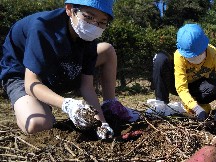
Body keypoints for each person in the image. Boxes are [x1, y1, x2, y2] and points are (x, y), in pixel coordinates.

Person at [0, 0, 140, 139]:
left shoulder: (88, 38)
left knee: (107, 50)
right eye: (89, 17)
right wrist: (68, 105)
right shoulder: (42, 28)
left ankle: (110, 106)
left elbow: (86, 86)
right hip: (23, 76)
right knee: (38, 124)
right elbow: (31, 83)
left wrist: (102, 122)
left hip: (59, 70)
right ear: (69, 9)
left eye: (102, 22)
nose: (94, 25)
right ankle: (35, 104)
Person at [150, 23, 216, 124]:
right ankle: (161, 104)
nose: (194, 59)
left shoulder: (214, 54)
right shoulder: (179, 56)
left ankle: (198, 104)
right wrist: (196, 109)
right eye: (189, 56)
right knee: (160, 59)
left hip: (197, 86)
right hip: (176, 85)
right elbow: (181, 87)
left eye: (197, 54)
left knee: (215, 87)